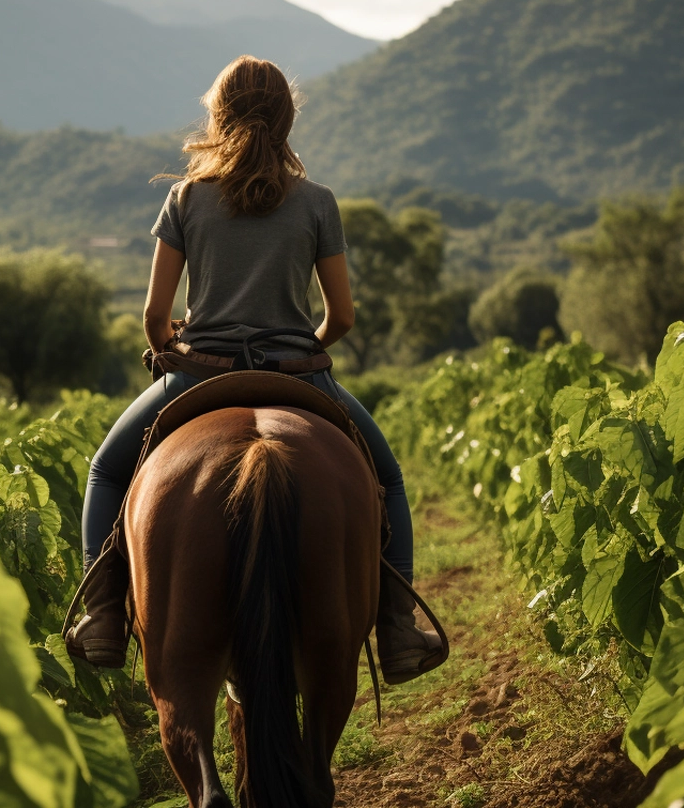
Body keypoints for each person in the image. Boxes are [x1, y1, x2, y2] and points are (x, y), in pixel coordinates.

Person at [64, 55, 444, 684]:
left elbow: (156, 316)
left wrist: (169, 348)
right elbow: (342, 316)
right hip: (299, 374)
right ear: (288, 119)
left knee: (106, 469)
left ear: (219, 115)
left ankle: (103, 613)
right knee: (390, 480)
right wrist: (306, 345)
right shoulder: (317, 202)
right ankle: (398, 626)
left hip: (196, 375)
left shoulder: (186, 197)